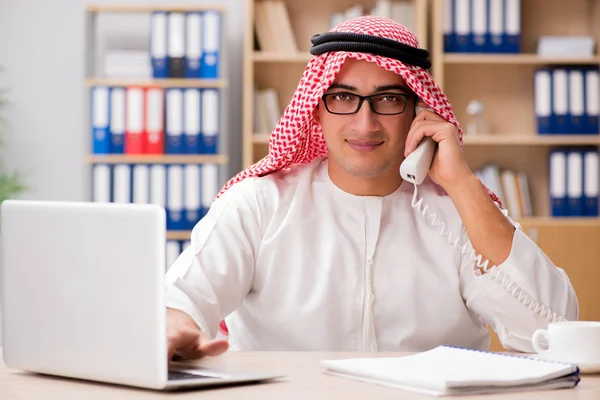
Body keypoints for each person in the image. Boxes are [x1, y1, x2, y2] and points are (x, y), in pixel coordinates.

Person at [164, 16, 578, 361]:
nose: (365, 124)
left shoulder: (458, 212)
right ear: (315, 111)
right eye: (343, 97)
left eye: (388, 100)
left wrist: (461, 185)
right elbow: (182, 299)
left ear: (419, 111)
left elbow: (551, 332)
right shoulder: (260, 203)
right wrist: (175, 328)